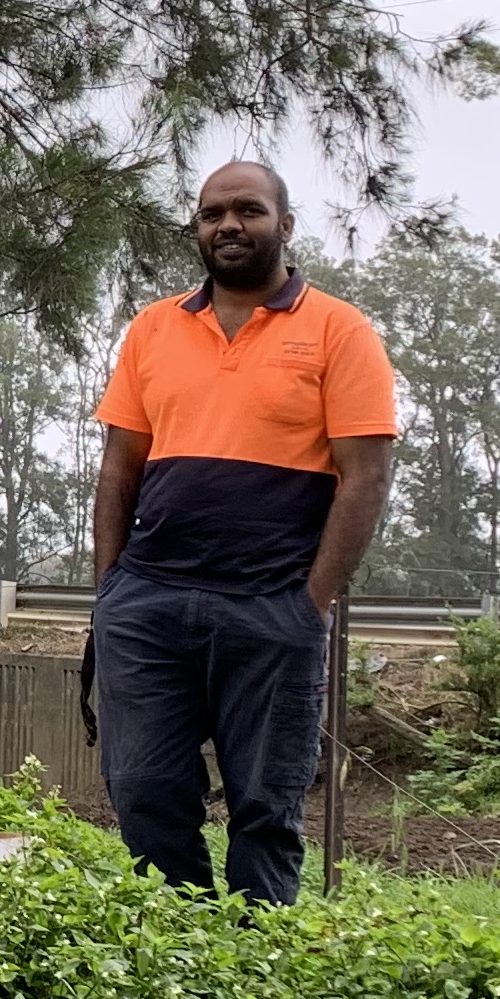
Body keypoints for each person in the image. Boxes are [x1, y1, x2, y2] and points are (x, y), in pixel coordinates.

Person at [87, 161, 398, 905]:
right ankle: (178, 962)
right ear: (196, 229)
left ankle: (263, 977)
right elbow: (118, 471)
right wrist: (110, 597)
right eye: (212, 213)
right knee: (143, 792)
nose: (229, 225)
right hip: (150, 605)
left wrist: (310, 603)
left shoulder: (340, 330)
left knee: (265, 810)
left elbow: (367, 477)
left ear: (284, 225)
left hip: (270, 610)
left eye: (249, 211)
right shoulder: (154, 328)